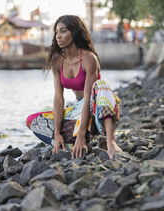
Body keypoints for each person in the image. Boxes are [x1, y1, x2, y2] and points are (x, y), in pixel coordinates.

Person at [26, 15, 122, 159]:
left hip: (97, 111)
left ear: (75, 32)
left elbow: (89, 97)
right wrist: (57, 133)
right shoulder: (57, 60)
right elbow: (58, 99)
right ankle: (65, 142)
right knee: (32, 120)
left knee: (101, 85)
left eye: (63, 31)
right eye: (57, 32)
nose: (58, 36)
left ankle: (110, 143)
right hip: (78, 111)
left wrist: (82, 133)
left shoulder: (89, 58)